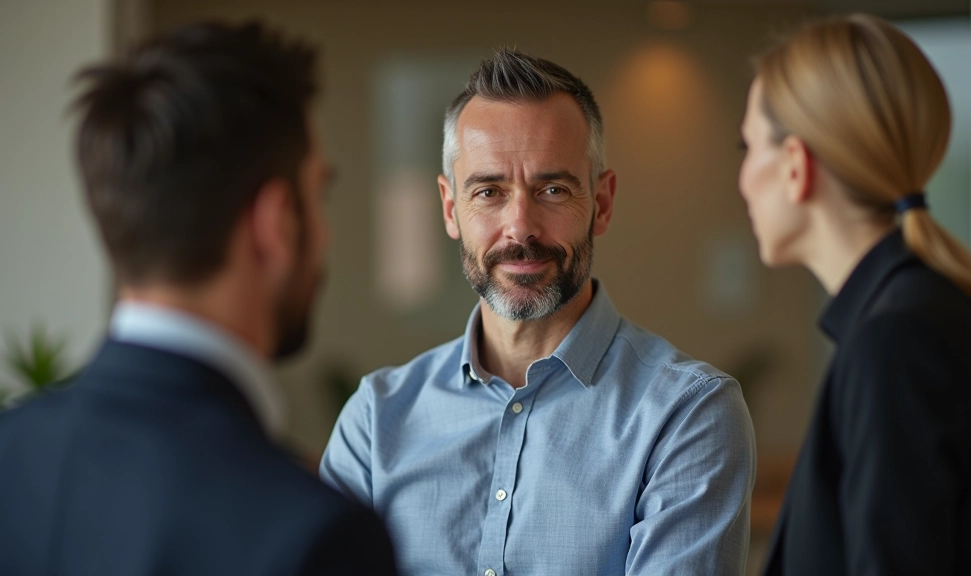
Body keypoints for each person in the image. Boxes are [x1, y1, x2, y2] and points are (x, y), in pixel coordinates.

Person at [321, 48, 756, 575]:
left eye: (552, 189)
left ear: (602, 202)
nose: (520, 226)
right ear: (449, 207)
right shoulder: (374, 421)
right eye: (488, 191)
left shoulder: (686, 415)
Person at [0, 21, 396, 576]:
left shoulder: (10, 454)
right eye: (318, 195)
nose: (326, 235)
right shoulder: (314, 535)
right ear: (277, 222)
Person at [738, 14, 971, 576]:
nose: (743, 176)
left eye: (746, 146)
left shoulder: (895, 340)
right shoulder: (923, 312)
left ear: (795, 166)